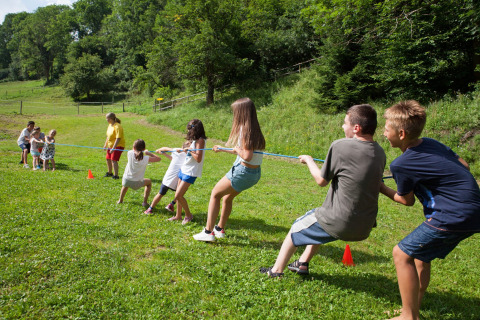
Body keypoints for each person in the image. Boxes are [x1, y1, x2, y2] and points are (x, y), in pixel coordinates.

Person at [379, 100, 480, 320]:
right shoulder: (432, 143)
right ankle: (413, 306)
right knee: (420, 257)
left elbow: (406, 201)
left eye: (386, 129)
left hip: (453, 214)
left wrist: (380, 187)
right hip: (474, 211)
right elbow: (464, 165)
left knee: (401, 253)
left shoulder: (401, 164)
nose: (383, 133)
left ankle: (408, 316)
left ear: (402, 133)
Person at [259, 104, 386, 277]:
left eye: (345, 123)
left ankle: (275, 272)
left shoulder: (340, 146)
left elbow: (321, 180)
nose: (342, 126)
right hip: (364, 225)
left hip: (342, 223)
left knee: (297, 227)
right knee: (318, 217)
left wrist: (309, 160)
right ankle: (302, 263)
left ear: (356, 128)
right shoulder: (380, 152)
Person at [193, 97, 266, 241]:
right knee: (227, 197)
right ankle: (219, 229)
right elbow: (241, 150)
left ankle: (208, 232)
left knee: (215, 194)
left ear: (242, 113)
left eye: (235, 112)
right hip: (254, 174)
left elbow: (246, 155)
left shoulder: (245, 130)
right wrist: (222, 149)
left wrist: (237, 150)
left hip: (243, 172)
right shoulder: (254, 129)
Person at [168, 119, 206, 224]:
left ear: (196, 130)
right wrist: (185, 148)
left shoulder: (200, 141)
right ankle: (178, 216)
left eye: (190, 130)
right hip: (184, 168)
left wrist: (189, 150)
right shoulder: (194, 140)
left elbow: (198, 158)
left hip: (191, 171)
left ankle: (189, 215)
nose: (188, 132)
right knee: (178, 193)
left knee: (178, 196)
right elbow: (190, 152)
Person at [143, 142, 189, 215]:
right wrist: (163, 153)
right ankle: (171, 204)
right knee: (179, 194)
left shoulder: (177, 151)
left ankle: (150, 209)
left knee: (161, 193)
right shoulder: (188, 155)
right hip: (177, 179)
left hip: (169, 178)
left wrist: (159, 150)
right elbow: (173, 158)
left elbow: (165, 149)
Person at [117, 139, 161, 206]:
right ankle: (145, 202)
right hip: (137, 182)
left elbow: (134, 150)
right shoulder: (146, 158)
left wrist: (140, 149)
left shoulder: (129, 153)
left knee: (125, 186)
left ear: (134, 147)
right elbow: (158, 159)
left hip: (126, 180)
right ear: (144, 149)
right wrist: (148, 153)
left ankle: (120, 200)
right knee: (149, 183)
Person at [103, 112, 125, 180]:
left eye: (107, 118)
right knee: (108, 158)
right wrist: (105, 144)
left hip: (118, 145)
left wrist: (113, 148)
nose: (106, 119)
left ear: (111, 118)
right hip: (110, 145)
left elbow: (118, 138)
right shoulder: (110, 125)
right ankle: (110, 173)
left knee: (114, 160)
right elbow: (108, 136)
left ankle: (116, 175)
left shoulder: (118, 126)